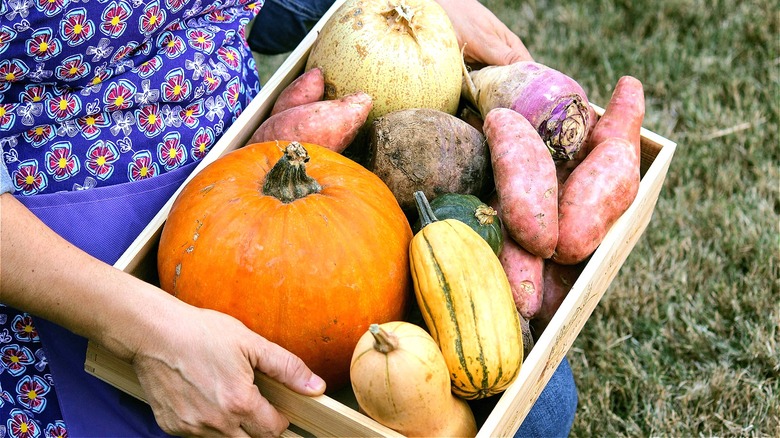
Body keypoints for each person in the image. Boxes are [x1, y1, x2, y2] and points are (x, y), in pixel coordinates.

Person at [0, 0, 575, 436]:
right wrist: (148, 333)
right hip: (73, 285)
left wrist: (396, 20)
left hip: (263, 152)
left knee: (539, 405)